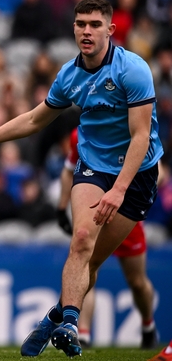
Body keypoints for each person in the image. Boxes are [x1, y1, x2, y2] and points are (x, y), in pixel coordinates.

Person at [0, 0, 163, 358]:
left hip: (137, 176)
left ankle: (52, 318)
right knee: (81, 239)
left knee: (92, 263)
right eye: (80, 24)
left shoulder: (133, 70)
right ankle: (70, 326)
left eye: (95, 24)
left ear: (110, 29)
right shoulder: (69, 75)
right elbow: (34, 119)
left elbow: (141, 136)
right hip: (93, 167)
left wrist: (120, 190)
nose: (86, 31)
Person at [57, 128, 158, 349]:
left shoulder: (136, 128)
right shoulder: (79, 134)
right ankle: (81, 333)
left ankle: (148, 325)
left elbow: (155, 169)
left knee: (137, 282)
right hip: (94, 210)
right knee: (86, 266)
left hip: (125, 213)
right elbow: (68, 170)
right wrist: (61, 206)